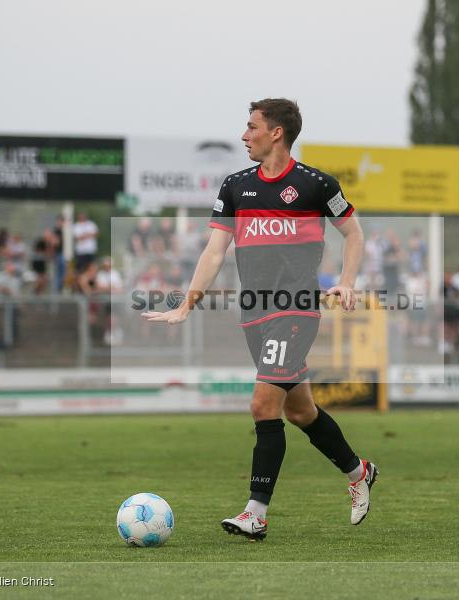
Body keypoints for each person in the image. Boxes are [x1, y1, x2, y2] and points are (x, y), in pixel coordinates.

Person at [142, 98, 376, 540]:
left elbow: (353, 232)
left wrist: (346, 281)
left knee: (262, 405)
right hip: (255, 314)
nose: (243, 135)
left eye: (251, 126)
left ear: (276, 133)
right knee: (301, 411)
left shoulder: (316, 184)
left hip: (296, 310)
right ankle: (358, 471)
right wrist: (185, 304)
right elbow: (214, 252)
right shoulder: (235, 186)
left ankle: (256, 513)